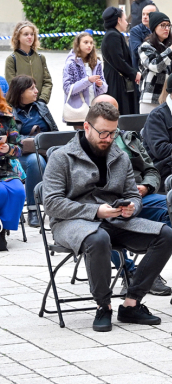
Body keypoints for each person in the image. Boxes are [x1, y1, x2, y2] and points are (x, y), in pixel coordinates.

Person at [42, 102, 172, 332]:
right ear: (86, 126)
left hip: (113, 219)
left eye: (112, 133)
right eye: (102, 132)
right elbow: (52, 204)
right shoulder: (62, 157)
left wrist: (132, 207)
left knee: (165, 235)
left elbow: (133, 195)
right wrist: (95, 211)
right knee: (98, 238)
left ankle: (132, 303)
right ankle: (103, 306)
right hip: (71, 222)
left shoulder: (119, 157)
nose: (107, 138)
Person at [93, 93, 172, 296]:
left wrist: (146, 187)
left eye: (112, 111)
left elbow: (151, 170)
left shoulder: (129, 138)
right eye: (102, 109)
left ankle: (148, 270)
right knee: (101, 226)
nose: (108, 114)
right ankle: (129, 270)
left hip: (139, 194)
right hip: (104, 202)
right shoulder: (86, 143)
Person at [8, 75, 57, 227]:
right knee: (36, 162)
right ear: (21, 92)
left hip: (44, 150)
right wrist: (34, 139)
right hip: (18, 155)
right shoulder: (9, 111)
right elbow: (10, 139)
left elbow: (55, 132)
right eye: (32, 89)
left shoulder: (41, 107)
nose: (36, 91)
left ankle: (62, 207)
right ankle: (33, 210)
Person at [137, 11, 172, 114]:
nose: (167, 29)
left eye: (168, 25)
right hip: (151, 98)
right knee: (150, 129)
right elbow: (156, 66)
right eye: (163, 25)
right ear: (154, 27)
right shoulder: (146, 46)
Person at [100, 6, 140, 115]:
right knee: (120, 110)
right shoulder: (113, 35)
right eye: (125, 19)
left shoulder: (113, 34)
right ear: (119, 20)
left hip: (117, 78)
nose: (127, 23)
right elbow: (118, 60)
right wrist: (134, 73)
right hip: (116, 80)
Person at [62, 32, 107, 129]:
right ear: (78, 44)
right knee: (81, 138)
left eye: (91, 43)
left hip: (94, 108)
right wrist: (88, 81)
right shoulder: (71, 63)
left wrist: (100, 85)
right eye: (85, 42)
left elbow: (104, 88)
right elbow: (67, 88)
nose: (89, 45)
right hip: (78, 109)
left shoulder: (96, 62)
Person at [0, 90, 26, 250]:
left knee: (18, 192)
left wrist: (8, 148)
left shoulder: (7, 118)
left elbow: (20, 148)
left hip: (5, 168)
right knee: (1, 192)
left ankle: (4, 228)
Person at [5, 21, 53, 104]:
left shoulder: (40, 58)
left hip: (39, 105)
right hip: (20, 107)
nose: (30, 37)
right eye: (26, 34)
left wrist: (42, 100)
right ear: (18, 37)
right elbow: (12, 85)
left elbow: (47, 82)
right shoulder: (12, 59)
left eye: (32, 34)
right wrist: (23, 102)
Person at [129, 2, 158, 71]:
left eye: (148, 14)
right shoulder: (135, 30)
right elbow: (137, 51)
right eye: (143, 14)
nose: (145, 17)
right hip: (142, 70)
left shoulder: (160, 29)